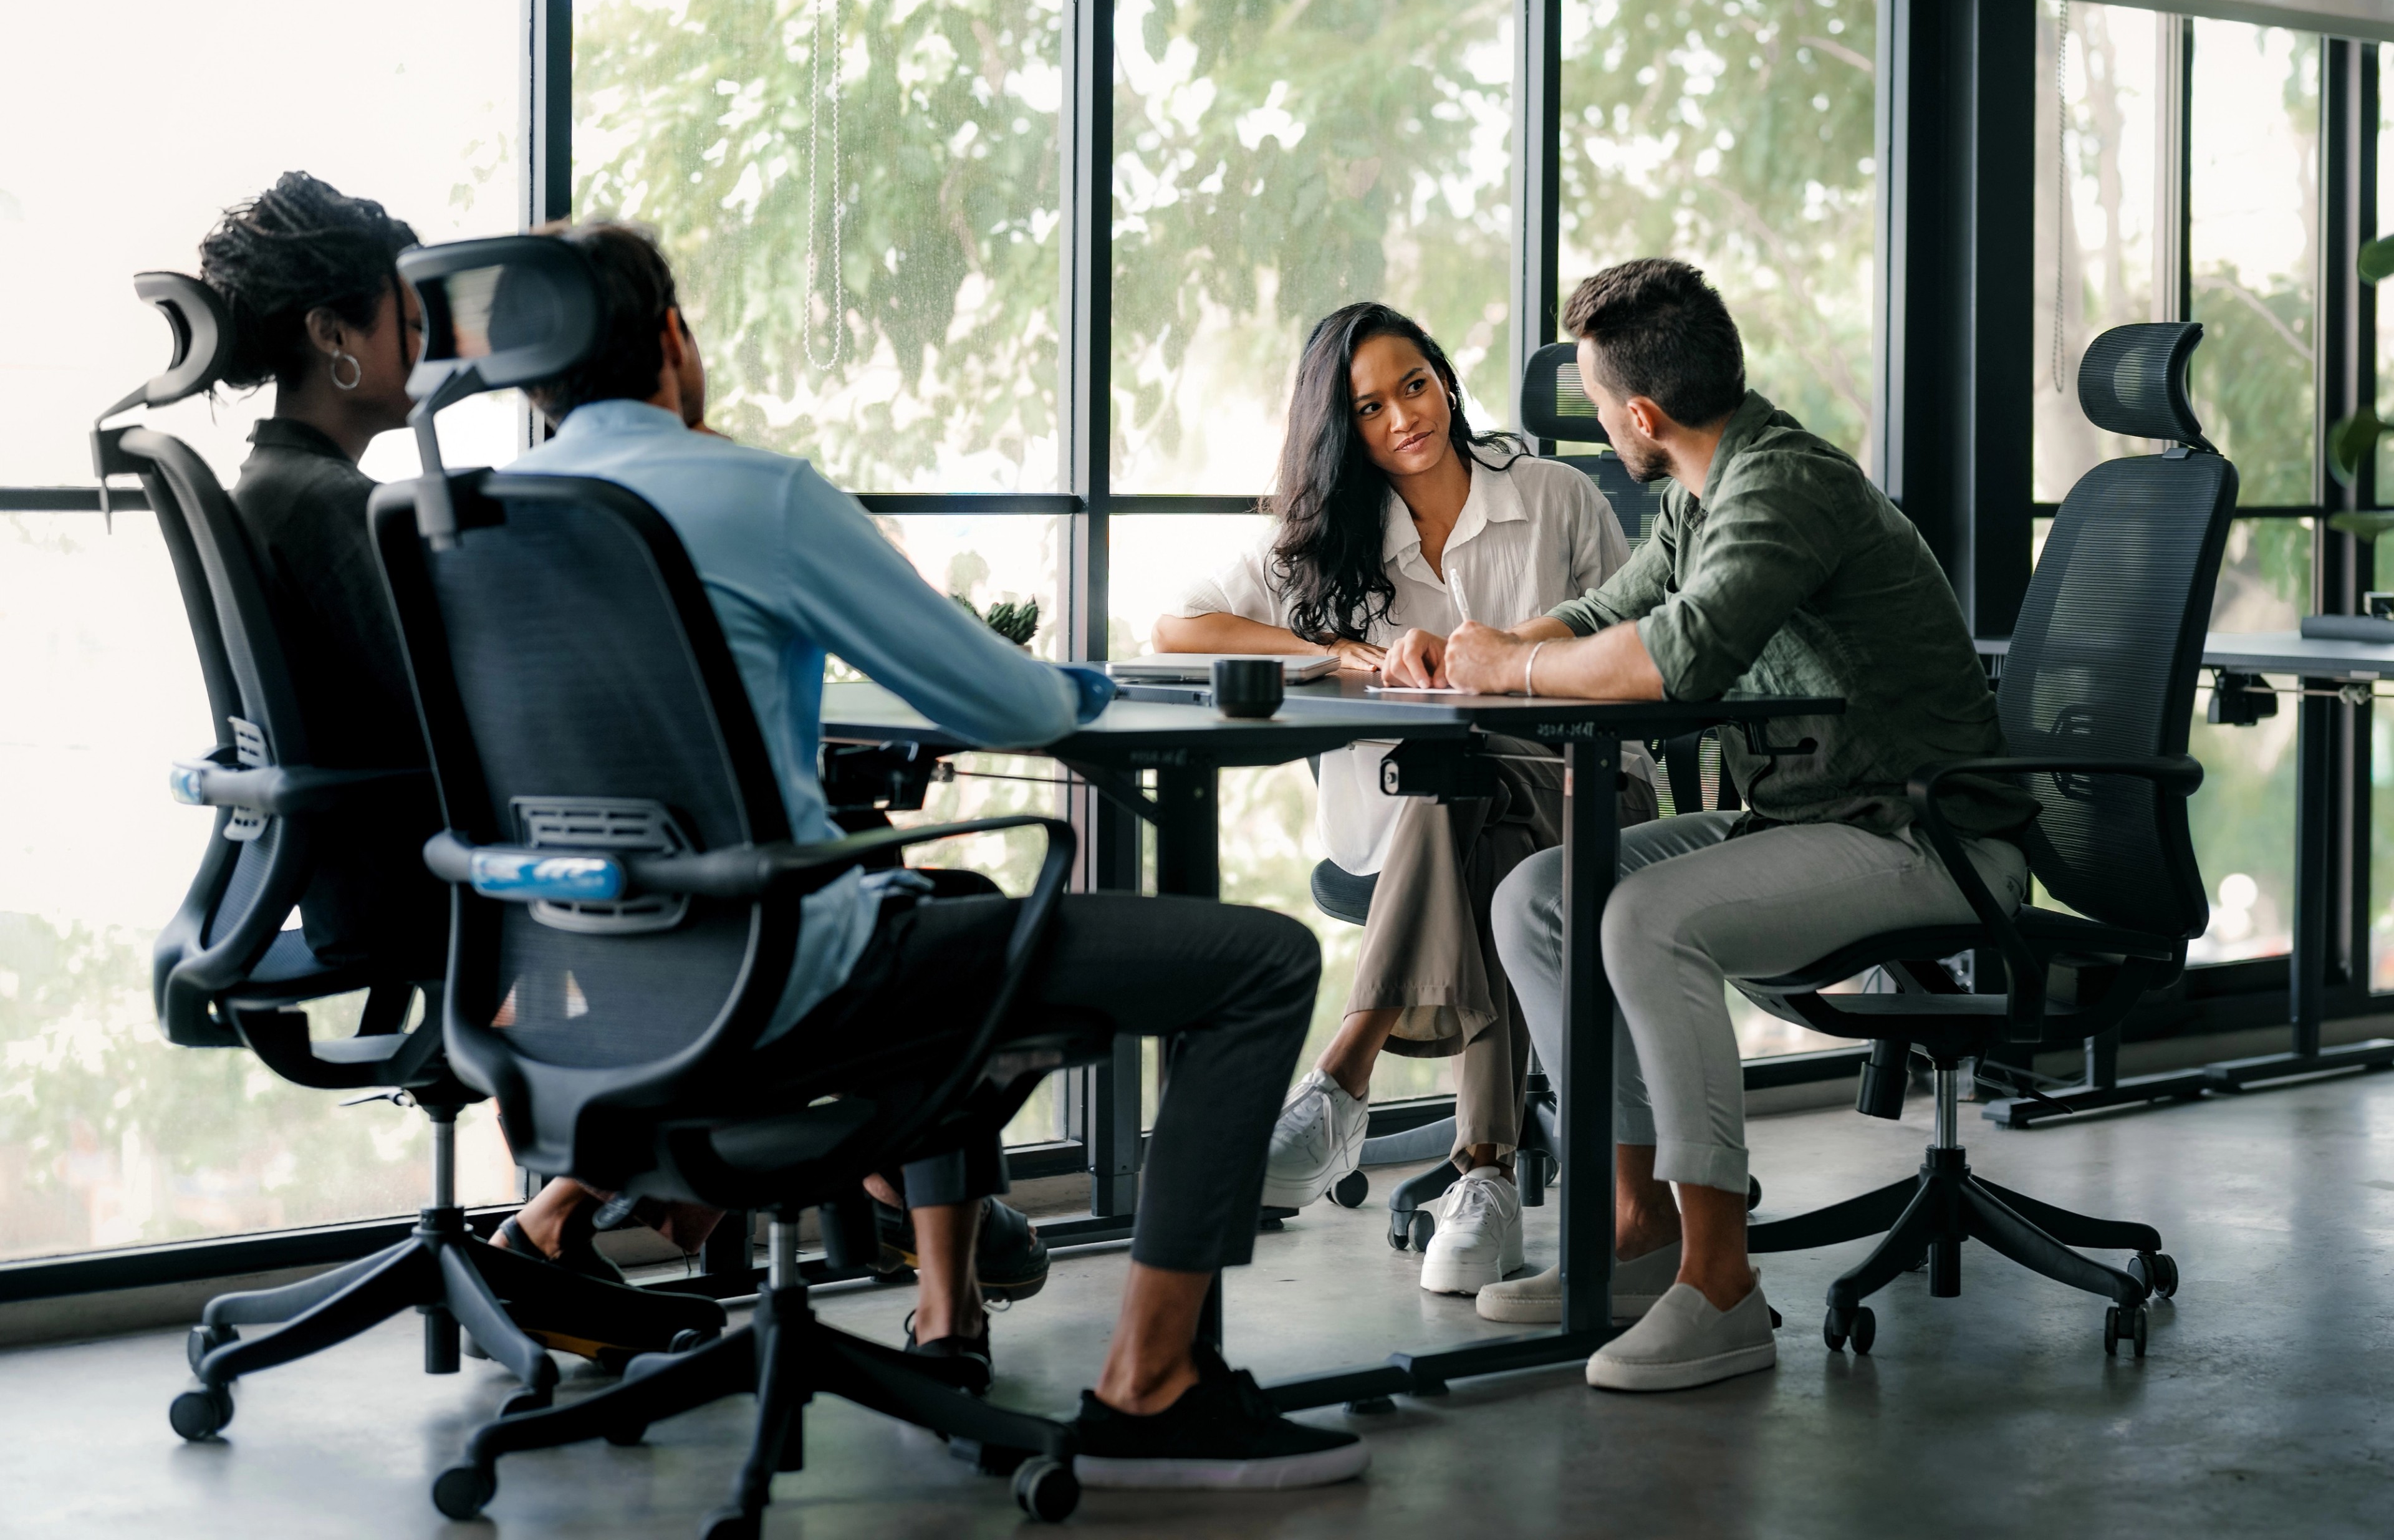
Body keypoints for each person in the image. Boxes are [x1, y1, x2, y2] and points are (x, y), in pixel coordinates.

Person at [499, 220, 1368, 1489]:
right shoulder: (754, 491)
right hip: (802, 985)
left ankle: (964, 1291)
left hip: (592, 996)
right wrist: (1072, 679)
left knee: (951, 913)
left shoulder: (478, 521)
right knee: (1263, 959)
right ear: (673, 340)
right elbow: (1006, 703)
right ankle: (1151, 1384)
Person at [1426, 258, 2033, 1390]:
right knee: (1541, 900)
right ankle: (1642, 1229)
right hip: (1808, 819)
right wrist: (1488, 650)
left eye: (1604, 409)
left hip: (1929, 839)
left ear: (1641, 415)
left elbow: (1681, 652)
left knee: (1647, 919)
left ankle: (1723, 1287)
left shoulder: (1785, 483)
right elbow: (1618, 609)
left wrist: (1522, 662)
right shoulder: (1695, 493)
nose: (1605, 428)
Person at [1154, 302, 1655, 1297]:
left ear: (1446, 380)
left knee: (1470, 790)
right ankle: (1486, 1175)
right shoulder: (1323, 544)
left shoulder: (1554, 497)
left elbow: (1636, 652)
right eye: (1370, 407)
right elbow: (1177, 627)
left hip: (1588, 794)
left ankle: (1345, 1074)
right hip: (1410, 837)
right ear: (1346, 430)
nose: (1403, 419)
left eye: (1414, 386)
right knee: (1473, 817)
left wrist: (1517, 667)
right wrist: (1329, 651)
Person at [199, 173, 446, 978]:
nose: (433, 351)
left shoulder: (269, 484)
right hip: (426, 889)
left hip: (356, 884)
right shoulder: (329, 506)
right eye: (412, 325)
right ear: (333, 335)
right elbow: (448, 713)